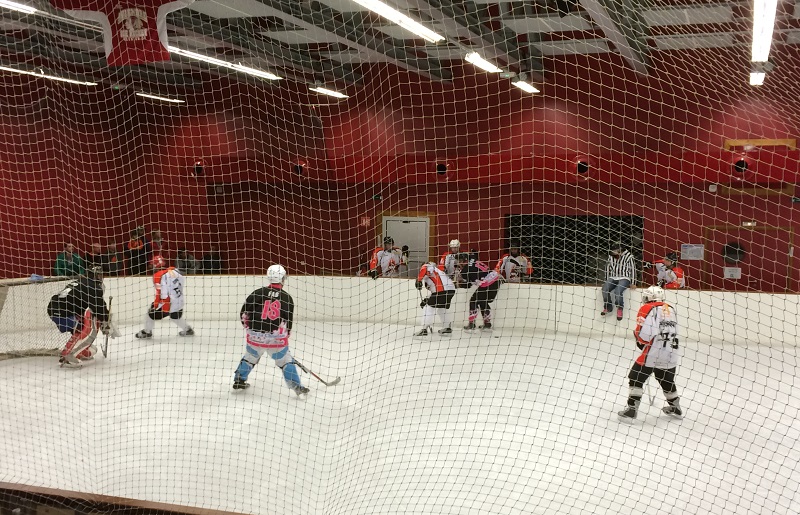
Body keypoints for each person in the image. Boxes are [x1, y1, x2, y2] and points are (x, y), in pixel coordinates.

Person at [233, 264, 308, 395]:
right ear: (283, 278)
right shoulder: (287, 298)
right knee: (285, 361)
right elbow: (287, 323)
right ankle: (297, 386)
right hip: (275, 339)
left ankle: (239, 380)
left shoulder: (257, 293)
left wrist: (251, 331)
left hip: (254, 337)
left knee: (250, 357)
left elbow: (243, 314)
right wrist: (282, 340)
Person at [618, 285, 683, 420]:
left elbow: (644, 333)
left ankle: (632, 409)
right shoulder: (670, 308)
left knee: (635, 377)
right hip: (671, 351)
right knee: (665, 378)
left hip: (654, 351)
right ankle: (675, 407)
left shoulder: (647, 308)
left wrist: (639, 339)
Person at [47, 266, 111, 367]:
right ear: (95, 276)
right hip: (64, 312)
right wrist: (106, 321)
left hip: (54, 309)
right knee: (88, 328)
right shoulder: (93, 286)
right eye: (100, 275)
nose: (101, 277)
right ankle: (70, 355)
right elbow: (99, 308)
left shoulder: (81, 281)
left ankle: (69, 351)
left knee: (80, 327)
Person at [134, 256, 194, 339]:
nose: (150, 267)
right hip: (179, 300)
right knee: (175, 317)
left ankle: (147, 332)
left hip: (168, 303)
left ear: (156, 265)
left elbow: (161, 293)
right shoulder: (174, 271)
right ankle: (188, 330)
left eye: (151, 264)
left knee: (149, 315)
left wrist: (156, 305)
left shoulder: (157, 276)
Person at [461, 253, 502, 331]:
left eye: (460, 261)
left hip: (487, 283)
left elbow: (468, 284)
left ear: (464, 260)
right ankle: (487, 324)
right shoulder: (473, 259)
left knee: (473, 301)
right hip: (496, 280)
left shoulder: (465, 270)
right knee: (482, 301)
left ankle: (471, 324)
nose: (459, 263)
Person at [415, 261, 457, 336]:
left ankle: (424, 329)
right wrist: (427, 299)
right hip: (451, 290)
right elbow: (434, 293)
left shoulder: (428, 266)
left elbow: (424, 268)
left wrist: (418, 280)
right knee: (441, 309)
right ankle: (447, 327)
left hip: (442, 290)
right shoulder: (438, 272)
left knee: (428, 308)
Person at [601, 242, 636, 321]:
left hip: (624, 277)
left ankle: (620, 308)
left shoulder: (629, 257)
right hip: (613, 276)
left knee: (618, 291)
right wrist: (606, 280)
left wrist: (633, 282)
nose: (613, 253)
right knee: (604, 288)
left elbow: (633, 269)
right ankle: (608, 306)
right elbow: (607, 269)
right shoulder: (611, 257)